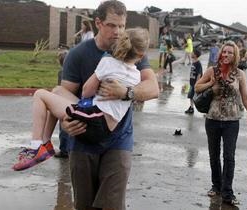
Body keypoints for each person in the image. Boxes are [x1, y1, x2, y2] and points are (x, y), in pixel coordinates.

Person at [60, 1, 158, 210]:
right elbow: (64, 93)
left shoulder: (132, 50)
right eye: (112, 25)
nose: (118, 31)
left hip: (119, 139)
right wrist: (65, 122)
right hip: (83, 137)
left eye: (122, 26)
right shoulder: (78, 54)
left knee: (113, 205)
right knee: (85, 205)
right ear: (98, 23)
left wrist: (127, 92)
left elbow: (153, 88)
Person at [12, 26, 151, 170]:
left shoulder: (108, 63)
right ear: (141, 56)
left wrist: (100, 77)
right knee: (57, 91)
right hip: (107, 126)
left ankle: (36, 146)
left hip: (94, 120)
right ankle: (45, 144)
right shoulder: (137, 76)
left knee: (40, 94)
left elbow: (86, 92)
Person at [195, 41, 247, 206]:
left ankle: (227, 192)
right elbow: (197, 87)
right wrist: (210, 84)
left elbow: (245, 97)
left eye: (230, 52)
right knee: (214, 155)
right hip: (212, 119)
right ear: (220, 54)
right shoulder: (212, 71)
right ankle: (216, 186)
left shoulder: (239, 74)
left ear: (235, 55)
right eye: (224, 52)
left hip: (231, 121)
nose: (226, 55)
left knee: (229, 157)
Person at [56, 50, 70, 158]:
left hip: (62, 102)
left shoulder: (61, 73)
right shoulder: (73, 72)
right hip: (72, 100)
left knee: (63, 127)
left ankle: (64, 149)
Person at [185, 48, 202, 114]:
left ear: (195, 55)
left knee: (195, 96)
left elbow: (199, 74)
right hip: (192, 82)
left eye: (192, 53)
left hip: (195, 83)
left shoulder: (198, 63)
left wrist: (197, 83)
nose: (191, 53)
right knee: (191, 96)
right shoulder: (193, 62)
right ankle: (191, 108)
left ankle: (194, 108)